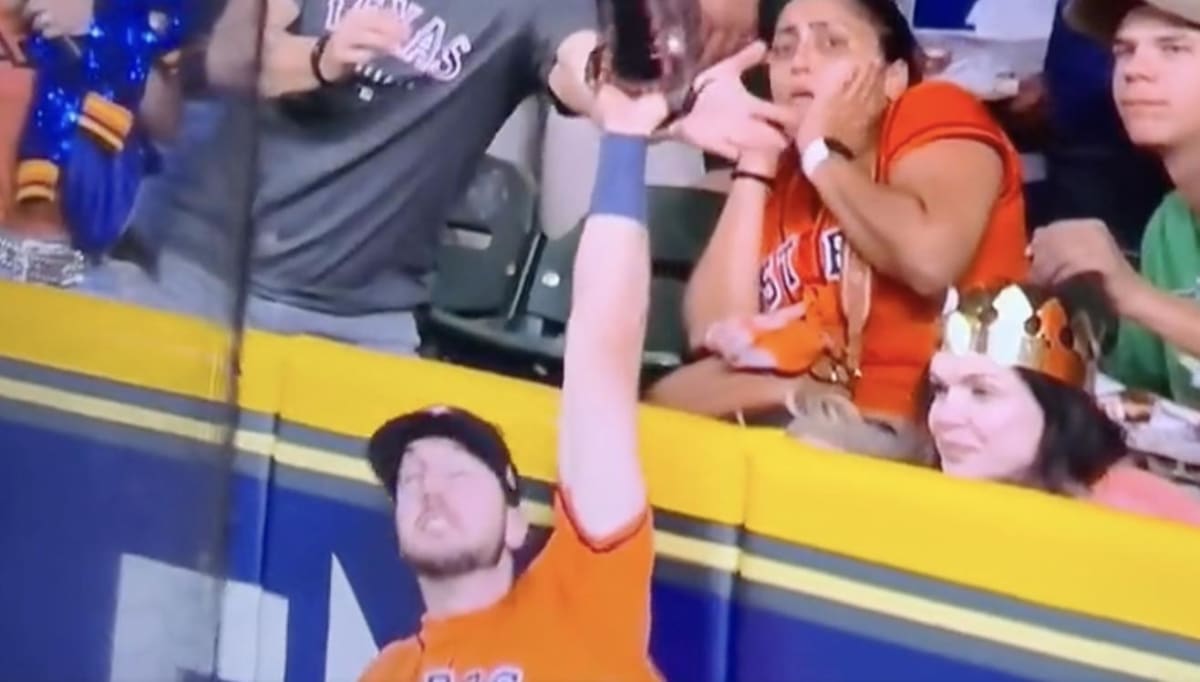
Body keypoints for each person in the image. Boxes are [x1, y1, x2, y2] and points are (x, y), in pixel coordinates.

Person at [359, 44, 762, 681]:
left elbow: (602, 348)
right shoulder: (389, 672)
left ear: (518, 522)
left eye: (460, 475)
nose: (430, 489)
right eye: (410, 479)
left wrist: (626, 143)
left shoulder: (578, 594)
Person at [84, 0, 787, 355]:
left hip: (361, 322)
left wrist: (657, 100)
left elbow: (583, 70)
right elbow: (231, 59)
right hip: (193, 278)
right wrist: (323, 58)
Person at [648, 0, 1028, 453]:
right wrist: (756, 160)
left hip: (932, 425)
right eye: (784, 49)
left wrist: (821, 154)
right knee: (647, 414)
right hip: (800, 417)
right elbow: (715, 330)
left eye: (831, 44)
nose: (801, 63)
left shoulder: (931, 109)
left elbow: (929, 260)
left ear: (893, 77)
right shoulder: (785, 171)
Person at [1031, 0, 1200, 409]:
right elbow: (1141, 398)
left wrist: (1134, 294)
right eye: (1124, 51)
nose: (1134, 70)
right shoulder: (1168, 225)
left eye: (1172, 48)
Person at [922, 281, 1200, 527]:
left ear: (1054, 409)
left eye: (982, 392)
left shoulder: (1141, 515)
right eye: (940, 389)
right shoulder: (922, 506)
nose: (944, 417)